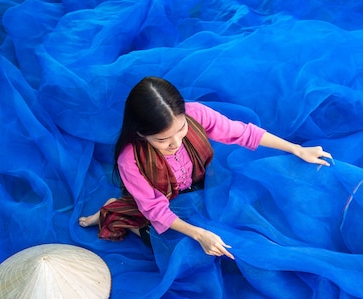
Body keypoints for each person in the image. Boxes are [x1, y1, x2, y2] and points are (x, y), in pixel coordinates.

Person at [79, 76, 332, 259]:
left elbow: (242, 133)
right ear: (141, 134)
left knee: (244, 212)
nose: (175, 144)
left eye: (181, 130)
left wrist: (296, 149)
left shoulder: (197, 114)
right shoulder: (130, 159)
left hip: (199, 183)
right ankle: (115, 213)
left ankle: (122, 209)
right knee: (175, 248)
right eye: (162, 140)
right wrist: (199, 234)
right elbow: (156, 209)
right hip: (160, 199)